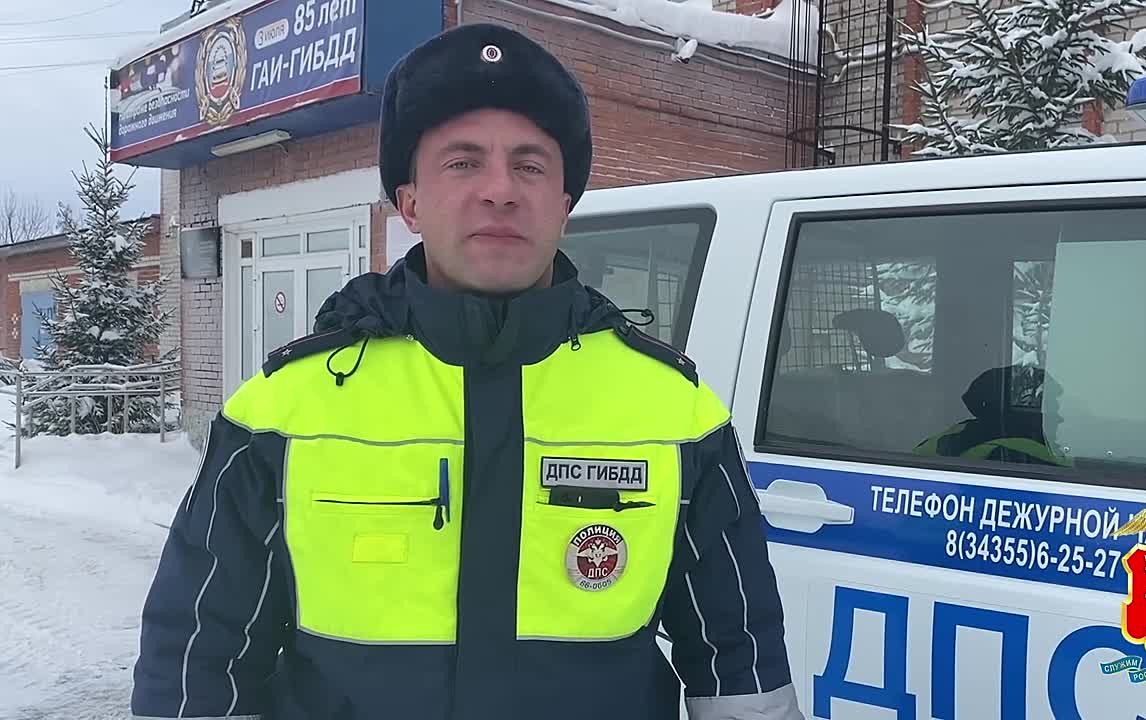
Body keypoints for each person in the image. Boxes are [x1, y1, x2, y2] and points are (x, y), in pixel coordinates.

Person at [130, 22, 803, 720]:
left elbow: (741, 664)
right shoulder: (283, 411)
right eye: (462, 162)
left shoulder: (675, 414)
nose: (500, 191)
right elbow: (198, 660)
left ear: (565, 206)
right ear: (410, 202)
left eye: (531, 166)